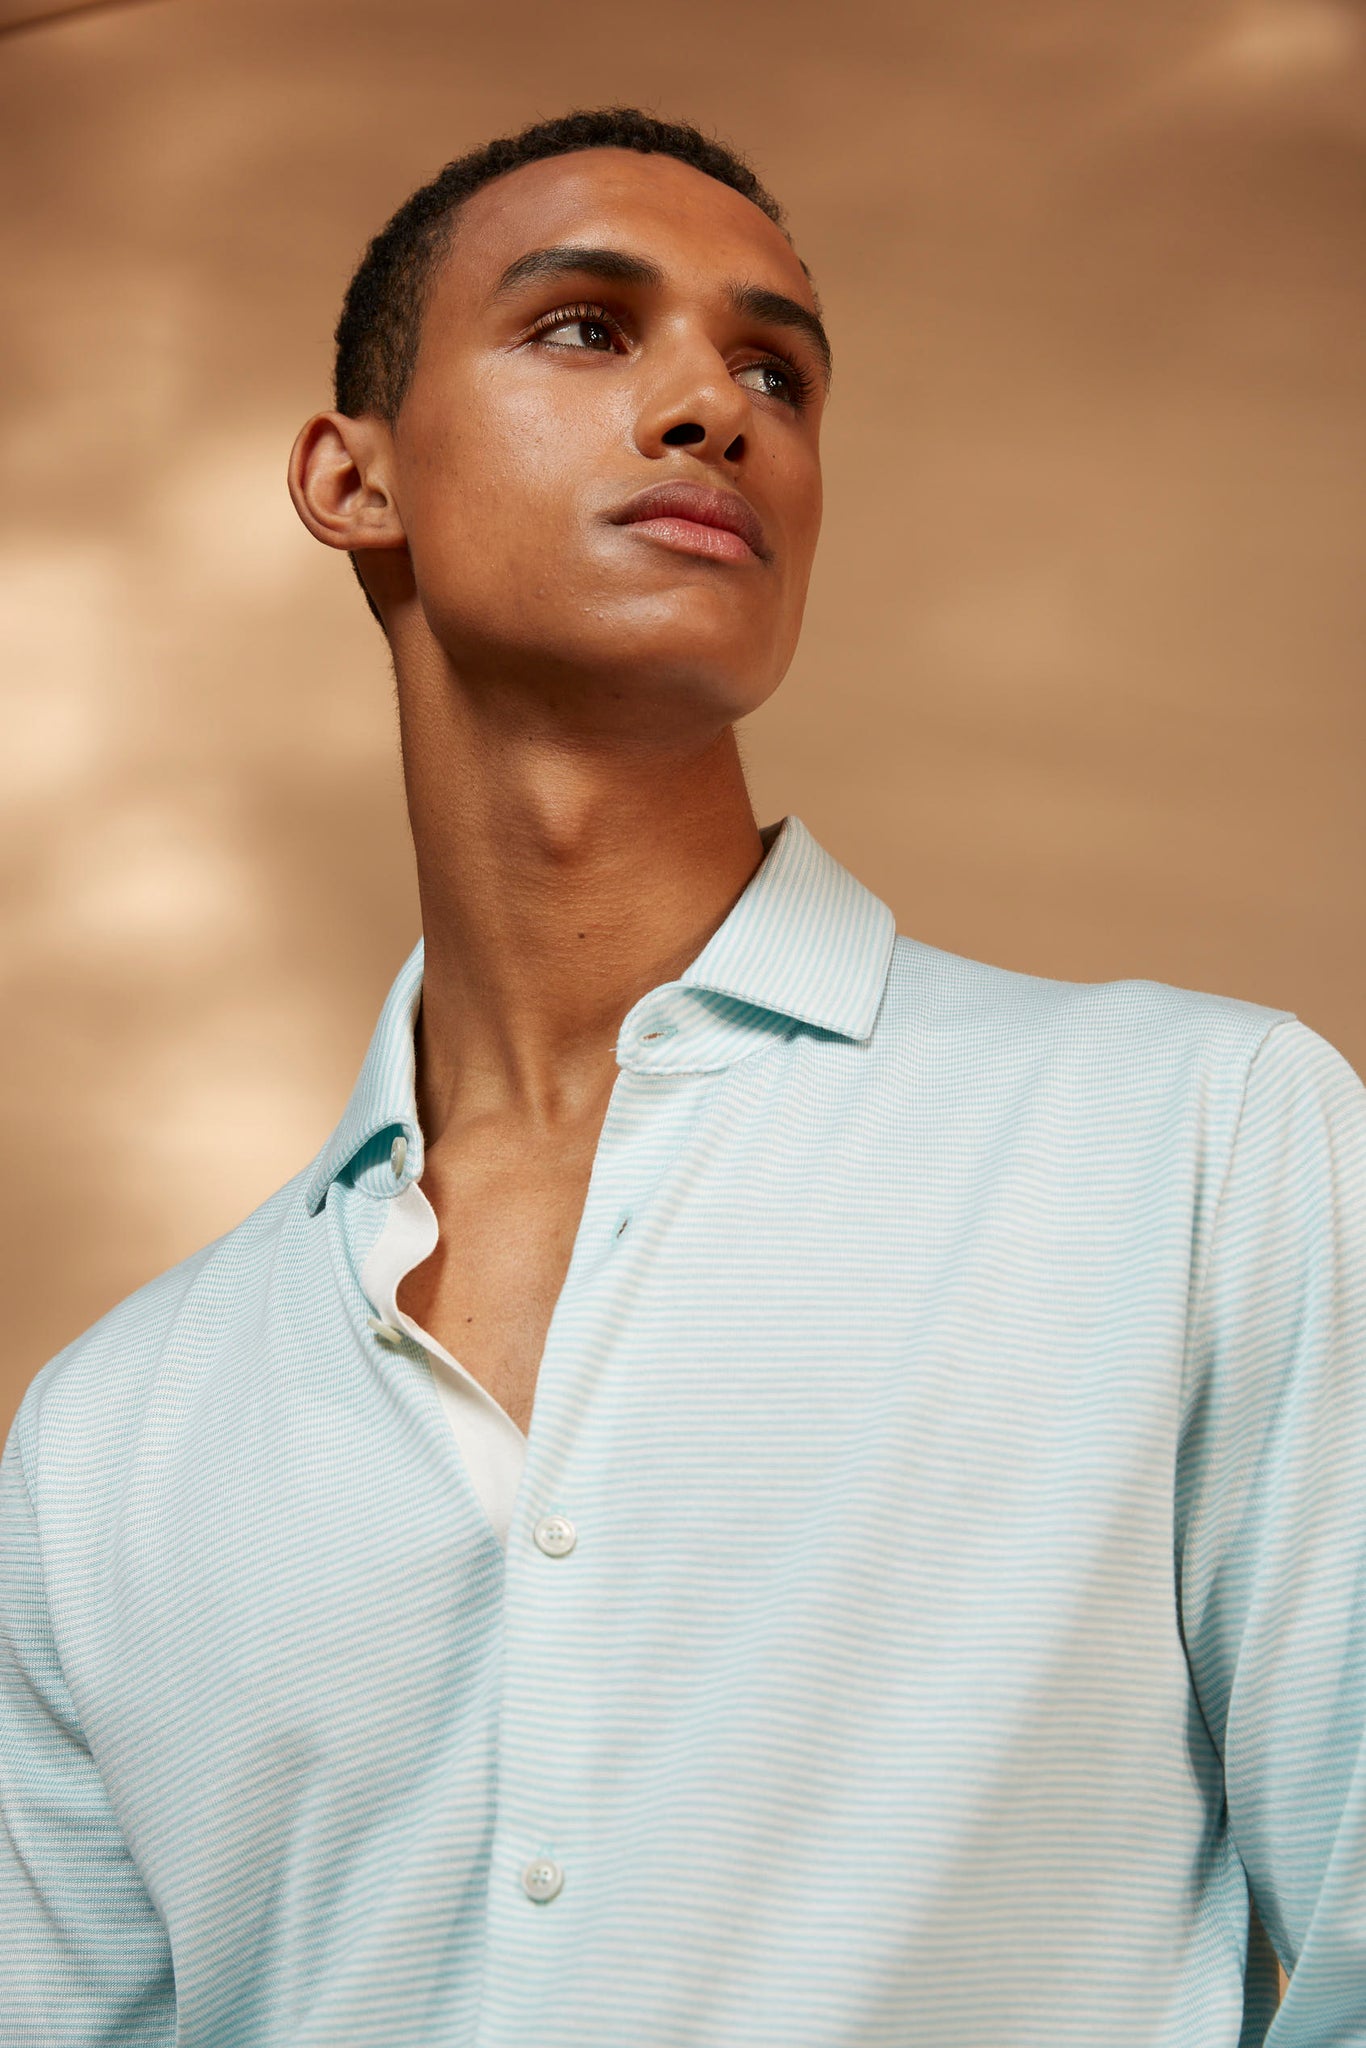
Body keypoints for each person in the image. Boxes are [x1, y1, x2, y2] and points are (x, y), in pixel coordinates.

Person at [1, 105, 1363, 2048]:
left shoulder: (1193, 1146)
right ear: (351, 477)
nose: (713, 410)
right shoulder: (105, 1442)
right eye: (581, 327)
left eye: (774, 374)